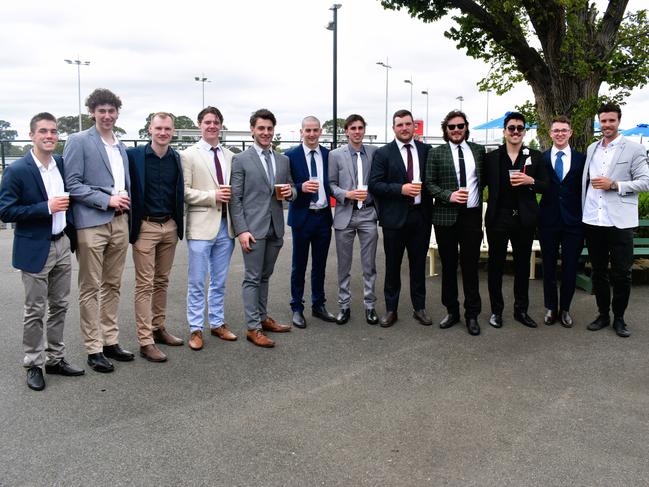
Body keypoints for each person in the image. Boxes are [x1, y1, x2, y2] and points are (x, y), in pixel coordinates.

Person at [0, 112, 84, 390]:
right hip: (35, 248)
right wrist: (45, 207)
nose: (49, 136)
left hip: (61, 244)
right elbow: (6, 211)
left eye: (53, 131)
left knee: (60, 305)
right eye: (44, 131)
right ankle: (34, 363)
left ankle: (56, 359)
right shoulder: (17, 170)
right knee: (35, 309)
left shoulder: (59, 164)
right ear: (32, 134)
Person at [63, 88, 134, 373]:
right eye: (101, 110)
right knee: (90, 287)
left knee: (113, 285)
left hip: (119, 222)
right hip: (92, 223)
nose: (106, 115)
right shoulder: (78, 141)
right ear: (92, 112)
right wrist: (107, 200)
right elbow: (73, 184)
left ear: (117, 113)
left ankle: (110, 341)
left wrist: (121, 203)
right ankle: (93, 348)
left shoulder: (121, 145)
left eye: (111, 110)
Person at [582, 102, 649, 337]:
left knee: (622, 273)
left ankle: (619, 318)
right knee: (598, 271)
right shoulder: (592, 149)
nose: (607, 124)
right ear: (598, 122)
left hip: (619, 222)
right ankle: (603, 314)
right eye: (603, 121)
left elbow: (645, 182)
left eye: (611, 120)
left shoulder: (634, 149)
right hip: (593, 220)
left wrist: (615, 185)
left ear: (619, 121)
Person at [230, 109, 296, 347]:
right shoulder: (240, 159)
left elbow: (290, 187)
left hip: (275, 228)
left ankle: (262, 317)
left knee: (265, 276)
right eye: (261, 128)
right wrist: (242, 230)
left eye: (269, 128)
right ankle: (253, 328)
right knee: (252, 278)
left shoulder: (282, 159)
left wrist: (292, 192)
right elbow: (235, 199)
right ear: (252, 130)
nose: (266, 133)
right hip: (253, 230)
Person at [127, 112, 184, 362]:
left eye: (168, 129)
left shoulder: (176, 159)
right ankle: (145, 340)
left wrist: (174, 223)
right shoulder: (134, 156)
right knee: (145, 284)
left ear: (173, 131)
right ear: (149, 129)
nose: (163, 132)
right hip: (145, 227)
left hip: (169, 226)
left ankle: (158, 328)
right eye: (158, 128)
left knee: (162, 281)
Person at [368, 109, 433, 328]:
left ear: (414, 126)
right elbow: (375, 185)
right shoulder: (383, 153)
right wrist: (401, 189)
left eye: (408, 124)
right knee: (392, 266)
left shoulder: (426, 150)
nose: (404, 128)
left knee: (418, 266)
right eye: (400, 125)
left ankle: (419, 308)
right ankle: (391, 309)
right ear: (393, 128)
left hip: (420, 218)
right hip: (394, 220)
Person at [483, 111, 548, 329]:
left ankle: (521, 310)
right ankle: (496, 311)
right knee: (496, 266)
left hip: (524, 219)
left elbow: (546, 185)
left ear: (524, 132)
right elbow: (478, 184)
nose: (516, 132)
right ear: (504, 131)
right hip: (498, 218)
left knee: (522, 267)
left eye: (520, 128)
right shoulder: (491, 157)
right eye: (512, 128)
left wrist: (530, 180)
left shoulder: (535, 156)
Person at [181, 107, 237, 351]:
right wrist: (211, 196)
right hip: (201, 227)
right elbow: (184, 192)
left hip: (227, 227)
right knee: (197, 281)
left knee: (219, 280)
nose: (212, 126)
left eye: (216, 122)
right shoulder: (188, 155)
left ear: (221, 125)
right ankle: (195, 328)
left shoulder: (231, 155)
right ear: (199, 124)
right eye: (207, 122)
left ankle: (217, 323)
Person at [425, 110, 485, 336]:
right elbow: (429, 183)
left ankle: (472, 314)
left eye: (460, 126)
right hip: (445, 217)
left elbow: (485, 179)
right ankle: (451, 311)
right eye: (451, 127)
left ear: (466, 127)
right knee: (449, 267)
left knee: (470, 268)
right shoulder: (436, 153)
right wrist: (448, 195)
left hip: (471, 216)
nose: (456, 130)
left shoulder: (478, 151)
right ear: (446, 130)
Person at [328, 114, 379, 325]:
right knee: (344, 264)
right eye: (352, 128)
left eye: (360, 128)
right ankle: (344, 306)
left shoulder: (375, 153)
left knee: (369, 264)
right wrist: (346, 194)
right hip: (345, 214)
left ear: (364, 130)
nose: (357, 131)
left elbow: (379, 180)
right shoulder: (335, 155)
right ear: (346, 131)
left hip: (368, 214)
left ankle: (370, 306)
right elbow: (330, 184)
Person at [285, 116, 336, 328]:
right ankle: (297, 307)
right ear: (301, 132)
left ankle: (319, 305)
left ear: (321, 131)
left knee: (320, 265)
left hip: (323, 217)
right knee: (299, 265)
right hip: (302, 218)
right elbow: (286, 188)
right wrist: (300, 187)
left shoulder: (328, 155)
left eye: (315, 130)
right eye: (308, 130)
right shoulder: (290, 156)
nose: (312, 134)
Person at [538, 116, 585, 327]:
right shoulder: (542, 158)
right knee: (548, 266)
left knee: (569, 267)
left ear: (570, 133)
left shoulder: (581, 159)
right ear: (550, 133)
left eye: (564, 130)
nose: (560, 134)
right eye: (556, 130)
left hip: (573, 222)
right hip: (548, 220)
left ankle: (565, 308)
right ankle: (551, 307)